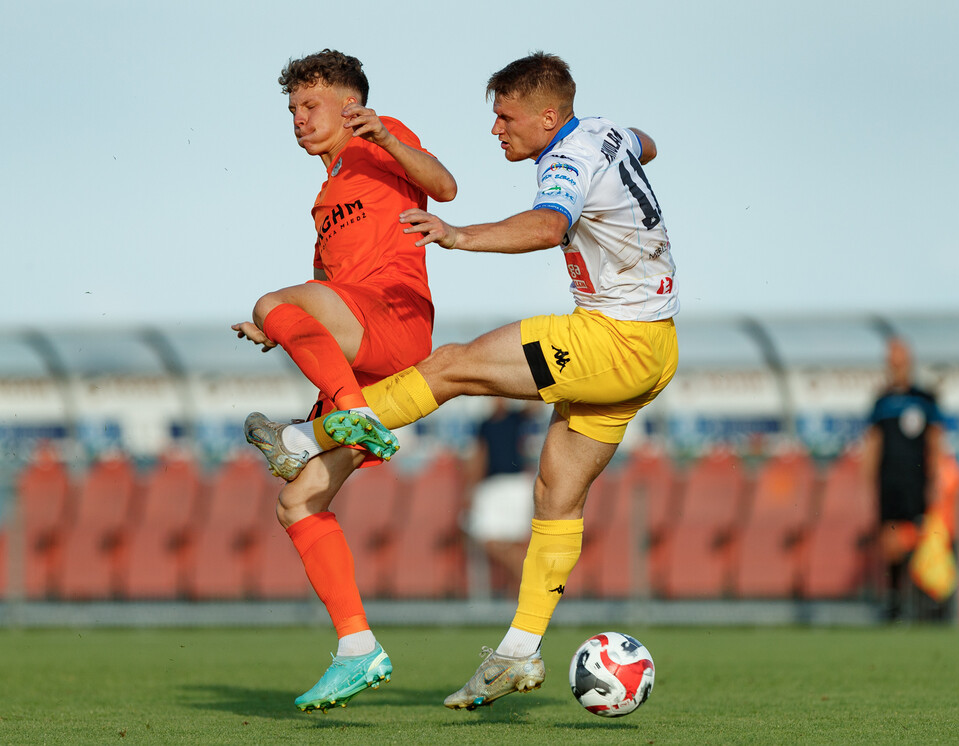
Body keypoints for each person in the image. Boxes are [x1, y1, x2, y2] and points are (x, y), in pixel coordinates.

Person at [247, 51, 678, 710]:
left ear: (547, 117)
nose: (496, 131)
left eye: (506, 119)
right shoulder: (604, 133)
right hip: (654, 346)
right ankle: (518, 651)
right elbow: (646, 144)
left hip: (611, 336)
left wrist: (456, 236)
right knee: (556, 498)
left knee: (452, 366)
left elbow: (547, 224)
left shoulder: (565, 157)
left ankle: (309, 434)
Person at [231, 49, 456, 712]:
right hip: (359, 348)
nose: (299, 120)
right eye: (293, 110)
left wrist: (384, 133)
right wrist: (278, 330)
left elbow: (444, 187)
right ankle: (359, 649)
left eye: (310, 106)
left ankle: (331, 421)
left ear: (350, 105)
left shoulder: (380, 137)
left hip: (396, 320)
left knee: (273, 299)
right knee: (296, 504)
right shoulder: (325, 199)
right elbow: (324, 293)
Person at [863, 336, 946, 621]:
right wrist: (868, 480)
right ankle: (895, 600)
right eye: (891, 361)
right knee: (890, 540)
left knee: (921, 536)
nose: (896, 366)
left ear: (908, 362)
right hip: (889, 480)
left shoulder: (924, 398)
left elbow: (935, 441)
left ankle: (922, 599)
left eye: (900, 361)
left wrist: (936, 479)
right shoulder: (881, 401)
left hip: (917, 479)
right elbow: (873, 443)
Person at [464, 399, 539, 593]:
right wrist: (472, 488)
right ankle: (528, 577)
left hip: (515, 483)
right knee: (487, 537)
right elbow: (480, 455)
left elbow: (536, 406)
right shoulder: (485, 424)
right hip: (493, 485)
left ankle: (520, 594)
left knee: (516, 540)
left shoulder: (515, 417)